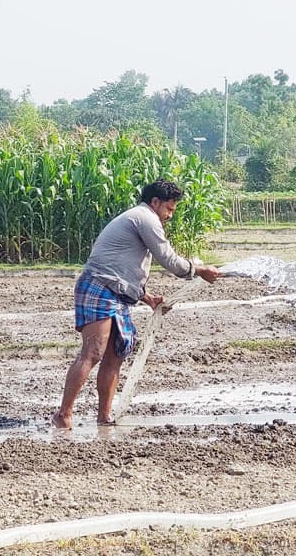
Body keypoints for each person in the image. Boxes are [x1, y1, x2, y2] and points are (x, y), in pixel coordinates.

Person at [52, 180, 221, 429]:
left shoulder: (141, 219)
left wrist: (147, 297)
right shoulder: (145, 218)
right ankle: (63, 414)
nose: (170, 216)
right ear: (155, 202)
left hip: (115, 292)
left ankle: (104, 417)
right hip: (99, 287)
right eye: (169, 209)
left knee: (115, 355)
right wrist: (200, 270)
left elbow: (124, 266)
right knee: (93, 353)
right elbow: (169, 259)